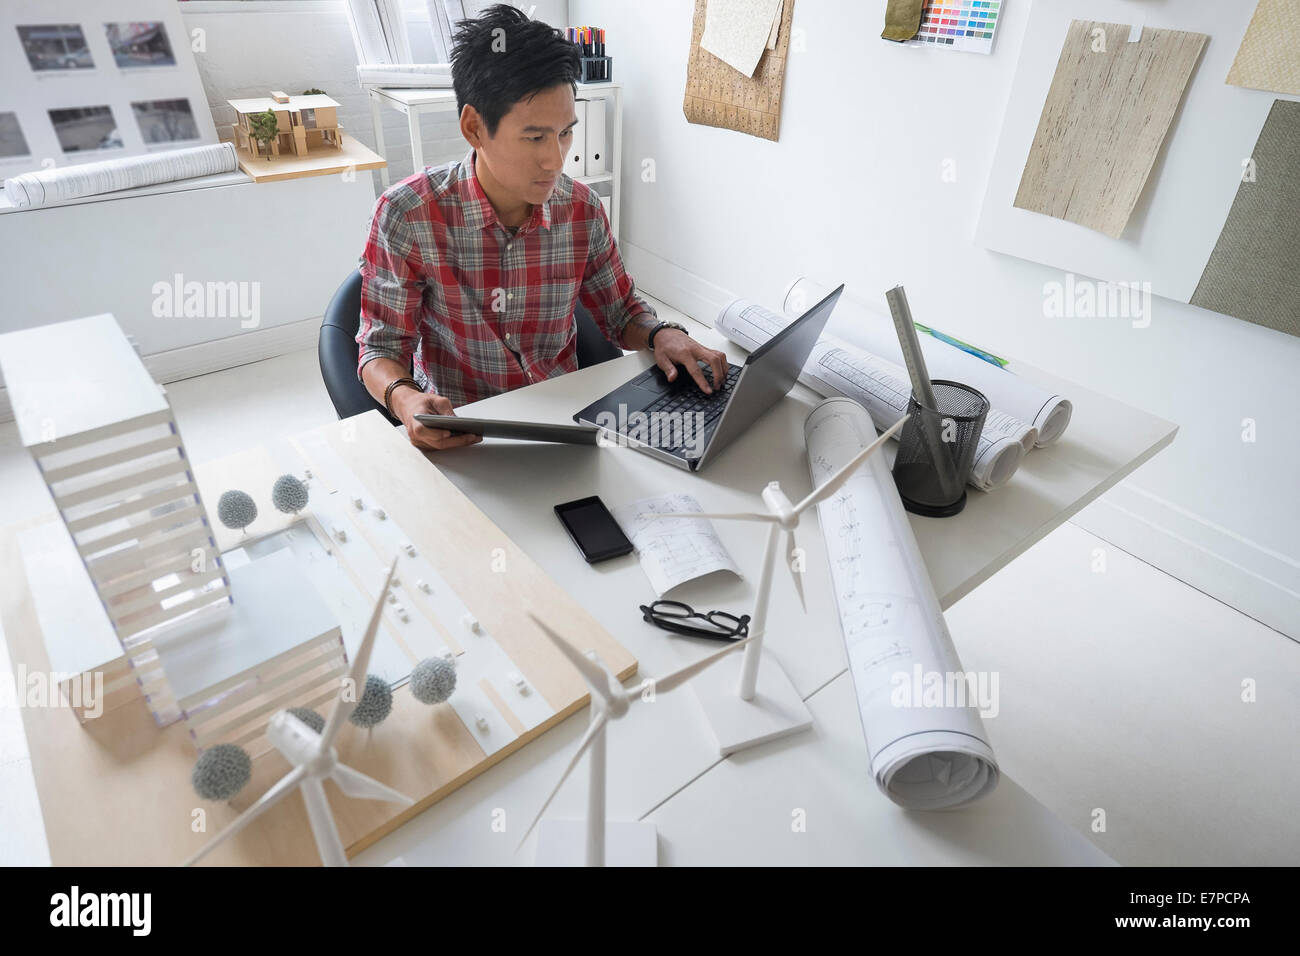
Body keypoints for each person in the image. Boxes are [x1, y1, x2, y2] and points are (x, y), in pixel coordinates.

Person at [357, 4, 727, 451]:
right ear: (474, 127)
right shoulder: (409, 214)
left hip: (567, 425)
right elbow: (379, 350)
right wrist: (405, 398)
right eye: (535, 137)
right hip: (466, 432)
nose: (556, 160)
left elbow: (620, 312)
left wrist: (661, 334)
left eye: (565, 133)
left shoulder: (581, 209)